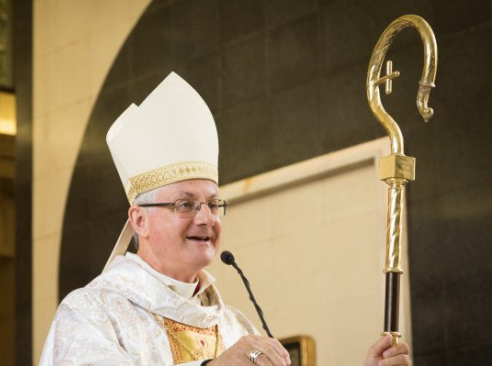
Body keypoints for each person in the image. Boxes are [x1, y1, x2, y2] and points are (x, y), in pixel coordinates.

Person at [39, 72, 412, 366]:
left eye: (214, 204)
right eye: (185, 204)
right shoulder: (92, 313)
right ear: (139, 220)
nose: (205, 218)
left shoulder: (235, 327)